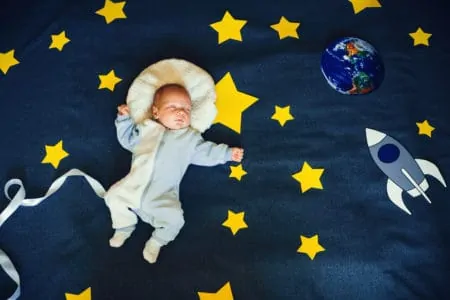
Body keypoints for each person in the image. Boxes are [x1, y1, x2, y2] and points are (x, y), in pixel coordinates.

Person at [108, 83, 244, 263]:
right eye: (173, 107)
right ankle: (124, 226)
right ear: (156, 112)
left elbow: (206, 152)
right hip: (133, 185)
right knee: (112, 197)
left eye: (186, 109)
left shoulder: (189, 139)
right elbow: (127, 140)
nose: (181, 112)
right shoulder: (147, 129)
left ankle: (157, 241)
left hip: (163, 195)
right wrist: (124, 119)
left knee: (176, 220)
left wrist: (226, 154)